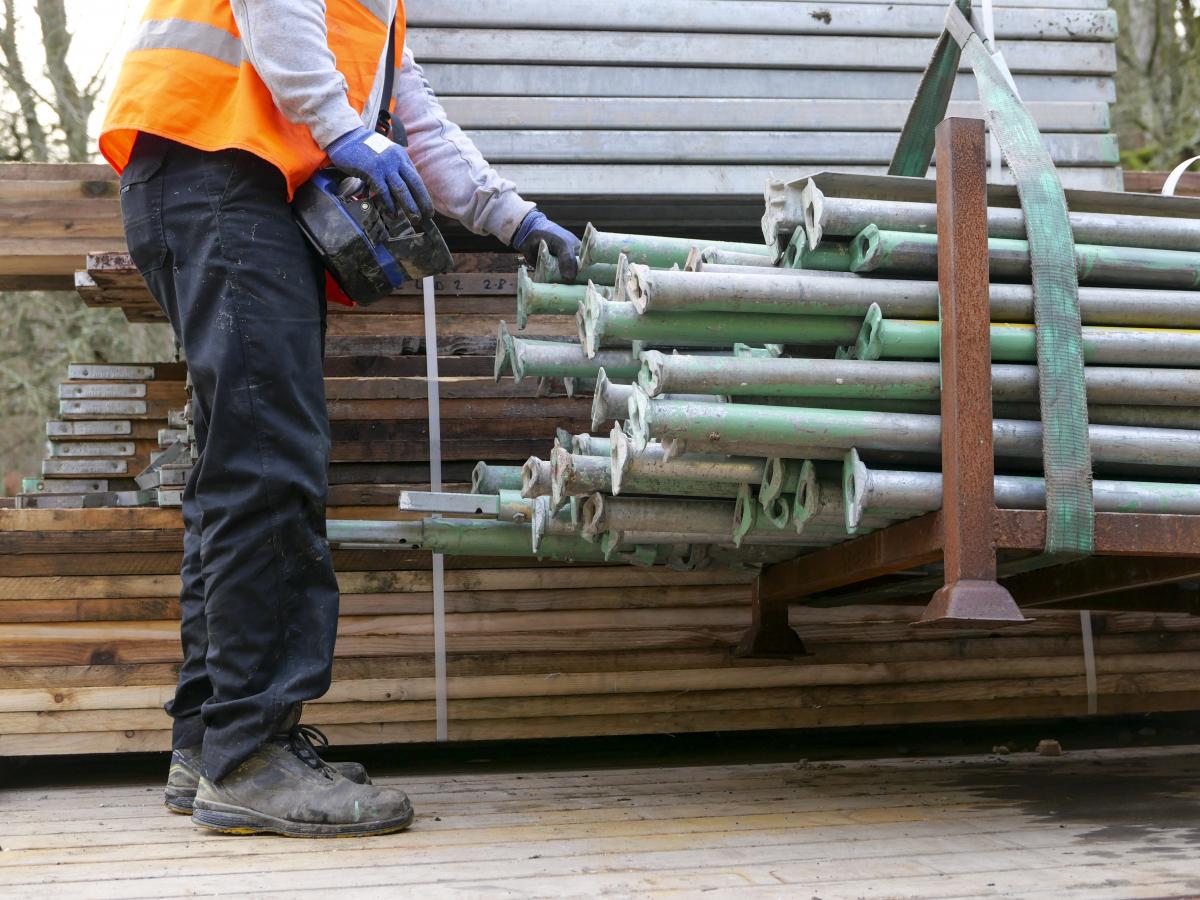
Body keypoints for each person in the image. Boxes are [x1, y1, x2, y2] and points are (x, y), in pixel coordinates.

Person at [99, 0, 580, 838]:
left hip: (210, 179)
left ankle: (209, 743)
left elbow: (413, 118)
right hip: (221, 176)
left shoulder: (377, 11)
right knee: (268, 461)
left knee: (237, 459)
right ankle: (251, 757)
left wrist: (516, 219)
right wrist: (338, 130)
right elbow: (285, 25)